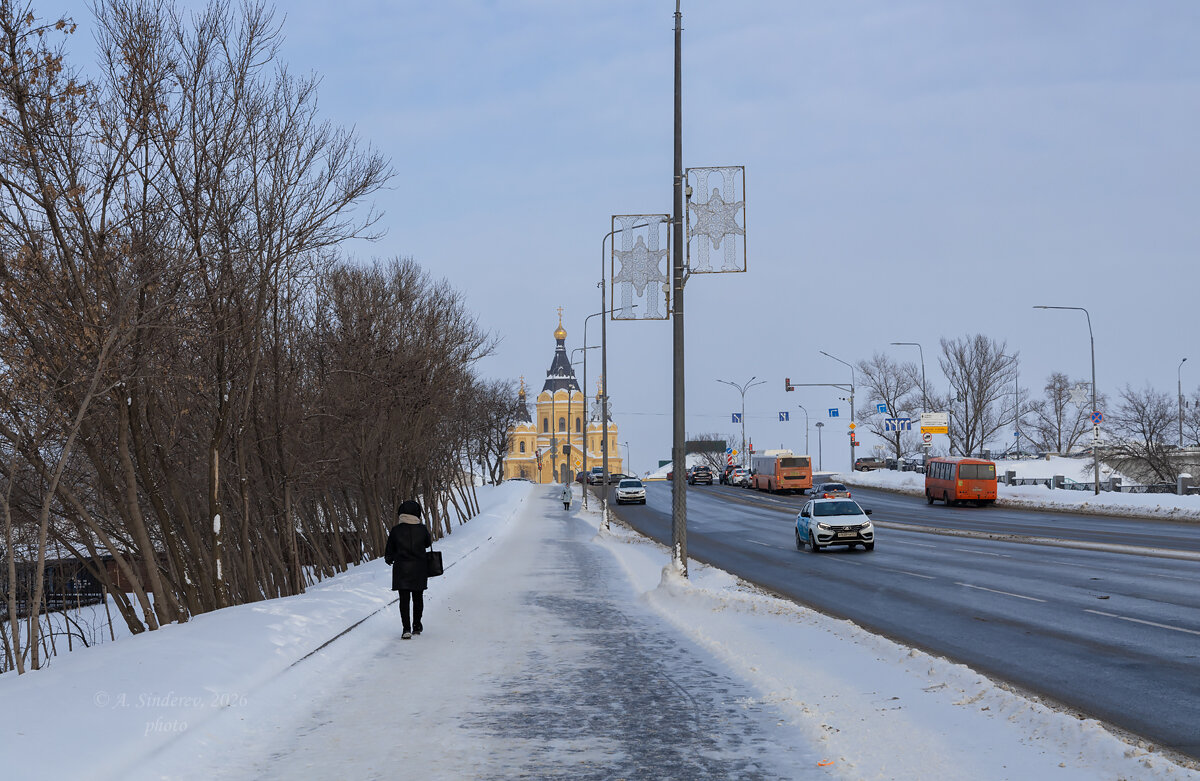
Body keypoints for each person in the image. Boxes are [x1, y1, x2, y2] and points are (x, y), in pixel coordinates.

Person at [384, 499, 432, 640]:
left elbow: (389, 552)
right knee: (418, 598)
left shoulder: (396, 530)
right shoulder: (422, 529)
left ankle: (406, 628)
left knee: (404, 600)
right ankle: (417, 625)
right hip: (419, 569)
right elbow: (428, 544)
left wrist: (390, 558)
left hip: (402, 570)